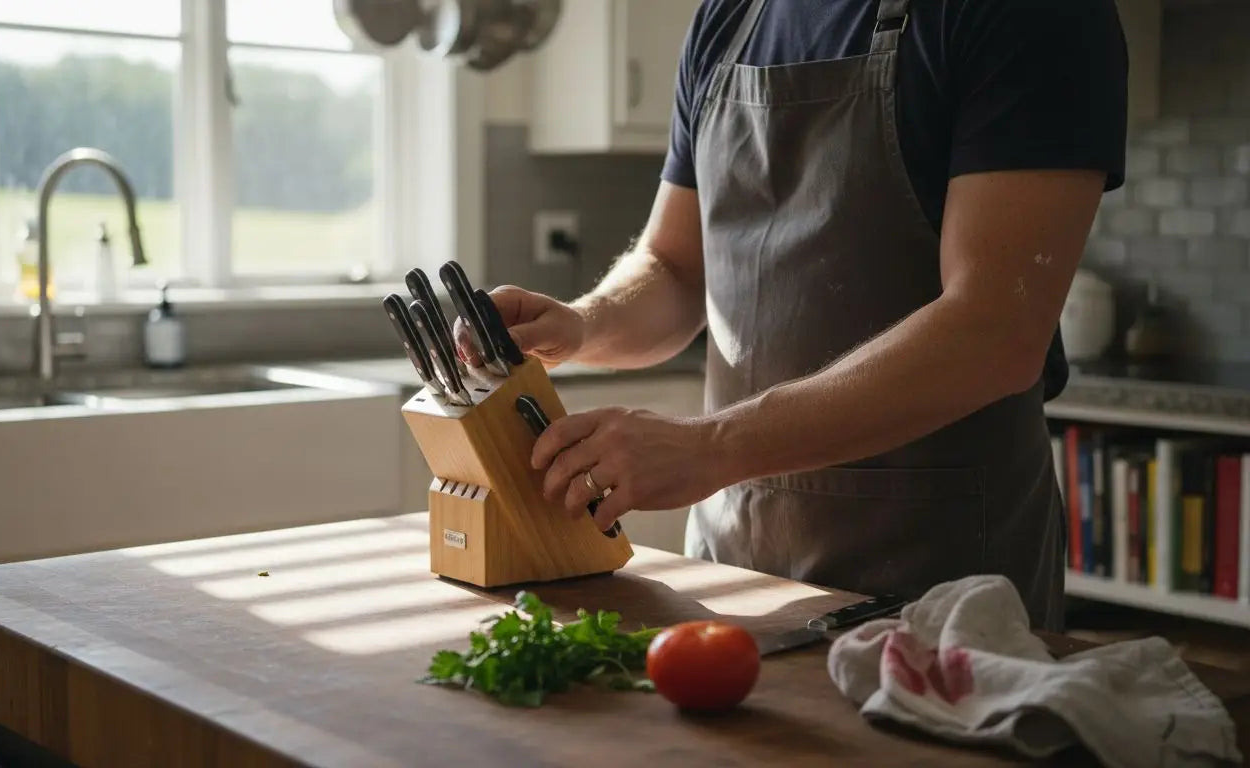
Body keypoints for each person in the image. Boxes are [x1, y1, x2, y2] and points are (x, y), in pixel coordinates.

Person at [458, 0, 1128, 631]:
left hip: (939, 588)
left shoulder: (1030, 11)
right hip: (736, 567)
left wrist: (710, 446)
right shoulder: (730, 17)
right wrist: (582, 324)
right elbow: (677, 267)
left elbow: (994, 329)